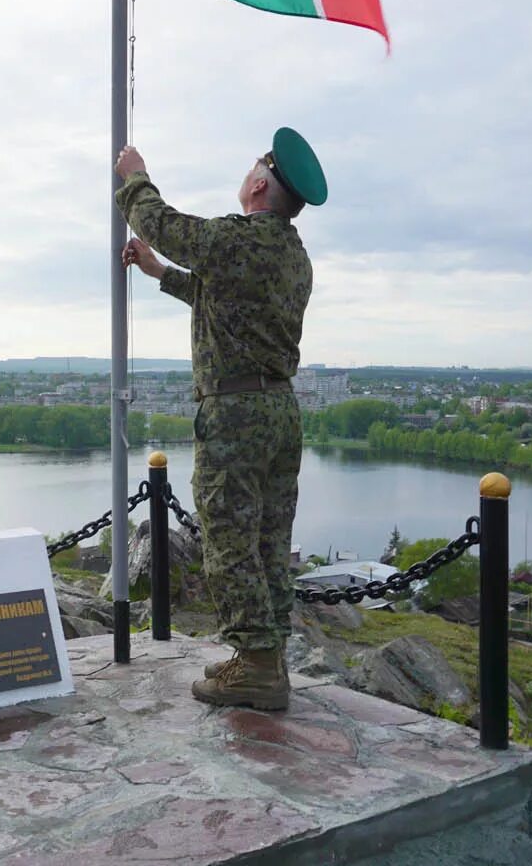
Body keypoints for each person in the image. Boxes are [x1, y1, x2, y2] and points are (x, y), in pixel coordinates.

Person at [113, 128, 325, 711]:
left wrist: (134, 177)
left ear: (258, 183)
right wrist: (160, 275)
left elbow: (166, 224)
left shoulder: (239, 238)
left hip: (234, 413)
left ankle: (256, 667)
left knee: (230, 542)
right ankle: (267, 655)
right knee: (266, 541)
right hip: (278, 411)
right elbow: (225, 302)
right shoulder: (291, 254)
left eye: (251, 166)